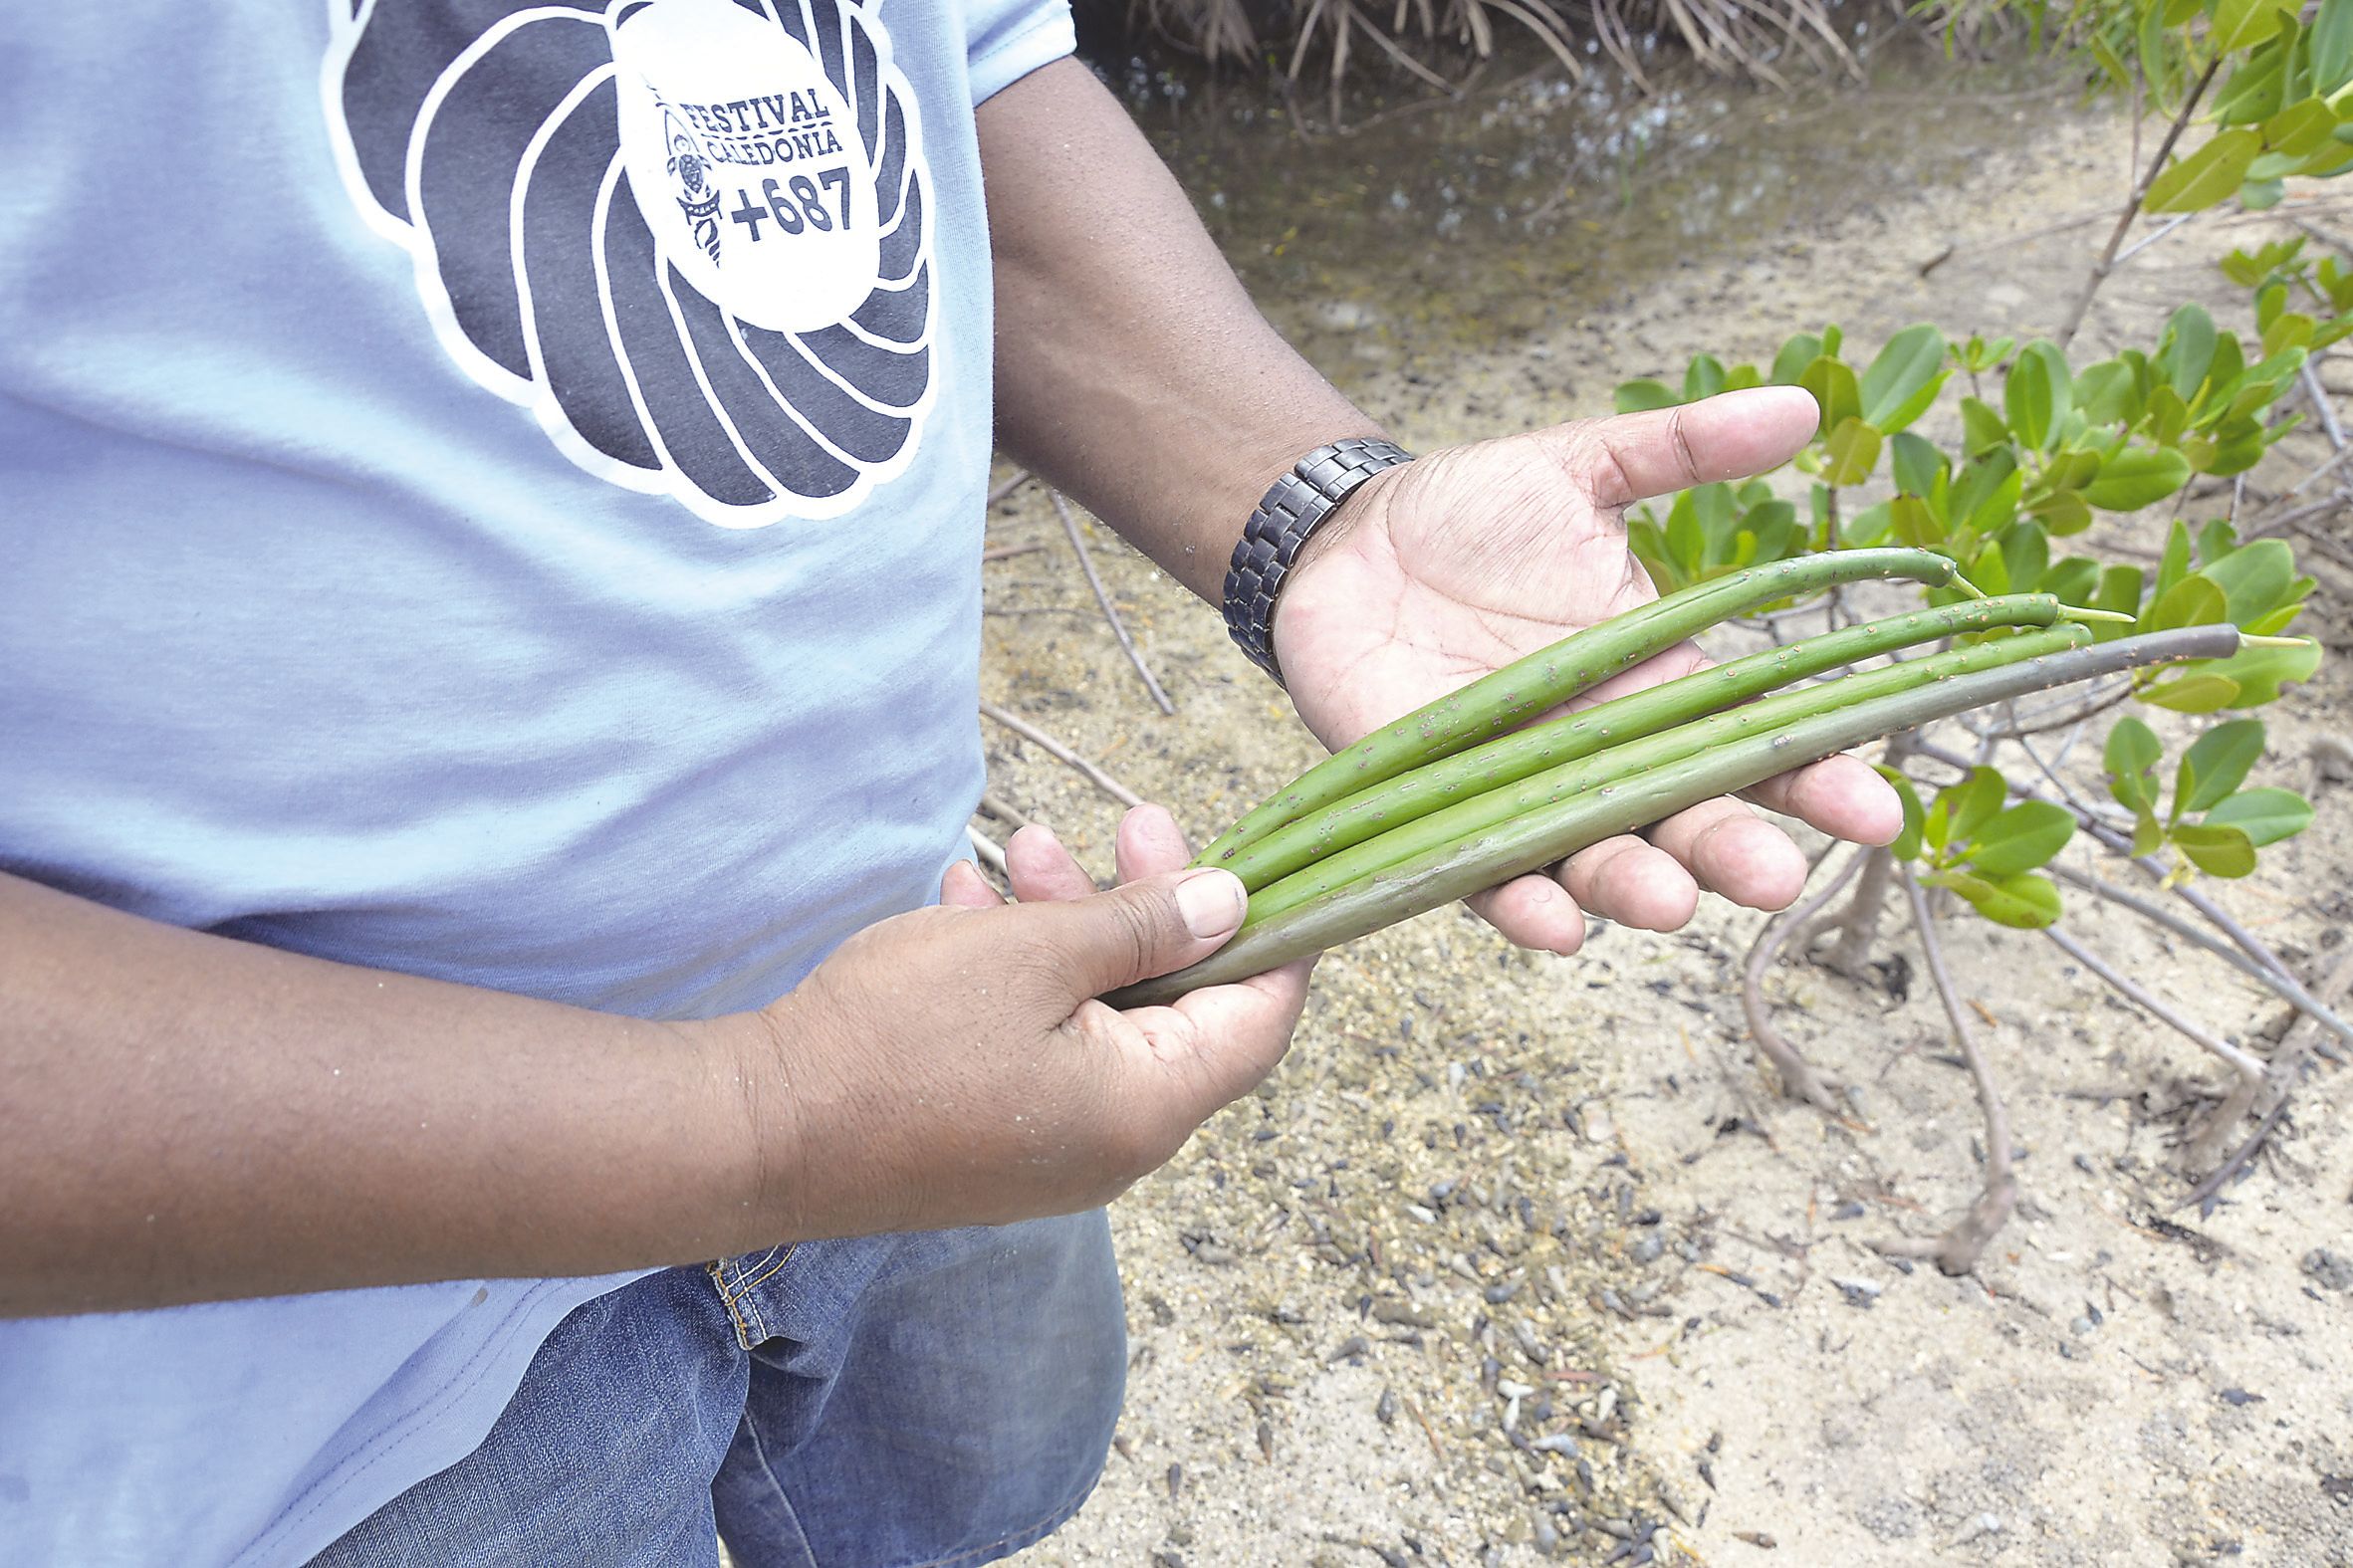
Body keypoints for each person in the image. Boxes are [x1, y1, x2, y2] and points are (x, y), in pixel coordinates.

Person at [0, 2, 1897, 1563]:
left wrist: (1321, 524)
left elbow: (945, 67)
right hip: (279, 1384)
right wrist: (768, 1116)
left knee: (968, 1500)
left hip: (932, 1000)